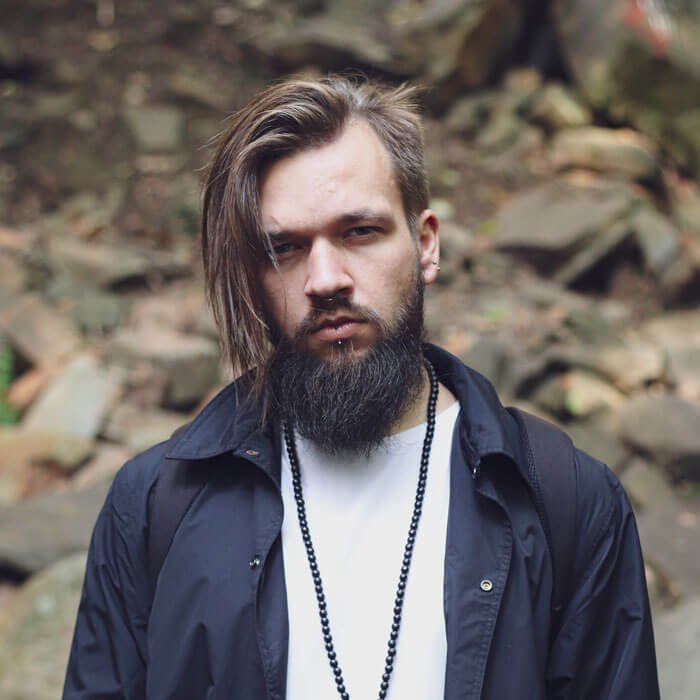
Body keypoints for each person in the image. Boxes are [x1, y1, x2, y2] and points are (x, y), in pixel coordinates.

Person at [63, 75, 659, 699]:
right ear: (253, 276)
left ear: (425, 244)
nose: (325, 279)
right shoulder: (157, 504)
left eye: (359, 232)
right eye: (284, 248)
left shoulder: (564, 501)